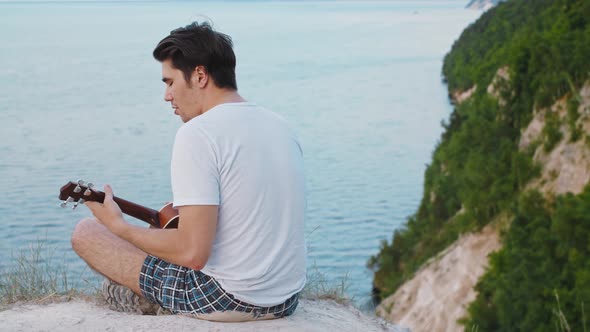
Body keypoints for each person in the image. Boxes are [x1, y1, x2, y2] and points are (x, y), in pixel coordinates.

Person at [71, 21, 307, 321]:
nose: (167, 96)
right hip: (285, 299)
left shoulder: (198, 133)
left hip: (225, 297)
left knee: (87, 232)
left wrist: (120, 227)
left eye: (170, 82)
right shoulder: (282, 127)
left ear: (199, 75)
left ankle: (142, 299)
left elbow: (193, 254)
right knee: (158, 232)